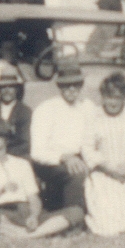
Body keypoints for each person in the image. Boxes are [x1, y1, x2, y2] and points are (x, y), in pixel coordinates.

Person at [0, 120, 83, 239]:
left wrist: (34, 216)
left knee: (77, 212)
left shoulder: (22, 164)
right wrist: (0, 191)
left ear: (6, 139)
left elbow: (33, 198)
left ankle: (25, 235)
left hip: (24, 211)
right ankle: (37, 231)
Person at [81, 72, 125, 236]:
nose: (112, 102)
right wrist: (106, 167)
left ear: (124, 98)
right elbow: (87, 147)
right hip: (103, 171)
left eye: (117, 97)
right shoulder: (95, 116)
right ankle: (110, 229)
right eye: (109, 97)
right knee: (105, 196)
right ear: (103, 97)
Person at [30, 63, 97, 211]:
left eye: (76, 84)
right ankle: (72, 220)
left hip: (80, 157)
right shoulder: (45, 109)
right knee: (76, 174)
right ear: (60, 86)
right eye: (66, 85)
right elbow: (37, 152)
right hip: (50, 161)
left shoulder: (88, 107)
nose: (72, 89)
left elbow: (90, 140)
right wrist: (64, 157)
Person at [0, 68, 32, 158]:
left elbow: (26, 143)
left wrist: (4, 154)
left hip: (16, 156)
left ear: (16, 89)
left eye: (11, 87)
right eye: (3, 87)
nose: (7, 91)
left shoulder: (25, 111)